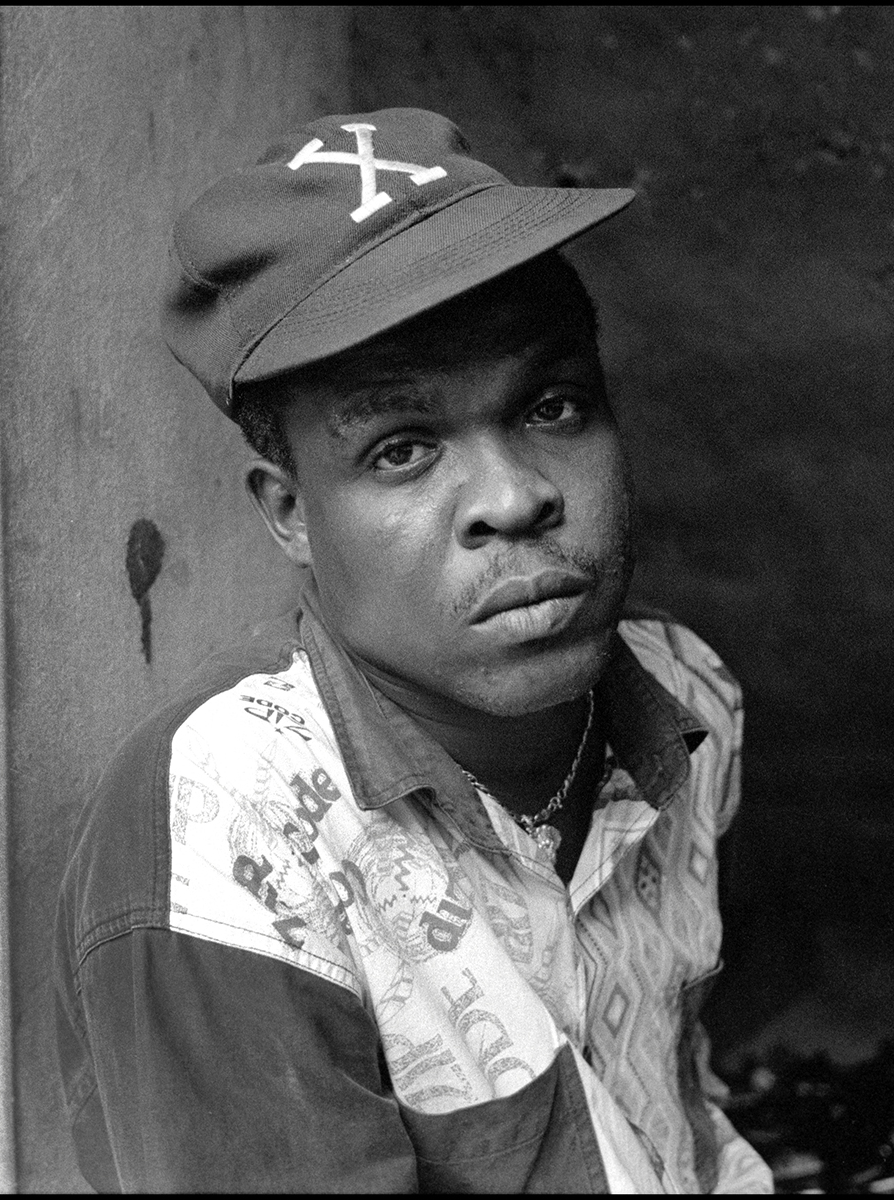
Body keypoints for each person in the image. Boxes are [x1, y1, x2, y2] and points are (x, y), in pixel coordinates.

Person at [54, 107, 772, 1193]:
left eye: (555, 405)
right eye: (402, 450)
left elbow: (668, 1107)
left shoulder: (688, 697)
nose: (515, 497)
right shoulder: (231, 836)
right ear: (290, 513)